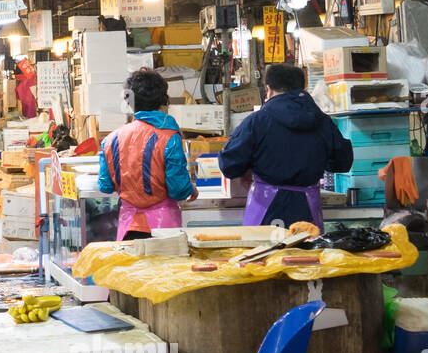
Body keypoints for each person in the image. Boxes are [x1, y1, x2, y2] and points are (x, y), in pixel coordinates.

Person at [219, 63, 354, 229]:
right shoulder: (323, 121)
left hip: (266, 208)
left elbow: (229, 166)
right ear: (302, 87)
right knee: (307, 253)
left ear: (268, 89)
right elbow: (342, 162)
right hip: (307, 209)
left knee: (265, 254)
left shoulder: (257, 121)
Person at [97, 69, 198, 240]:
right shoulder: (169, 137)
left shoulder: (110, 140)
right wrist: (191, 189)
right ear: (163, 100)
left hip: (128, 228)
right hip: (164, 228)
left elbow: (105, 186)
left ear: (129, 103)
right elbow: (179, 190)